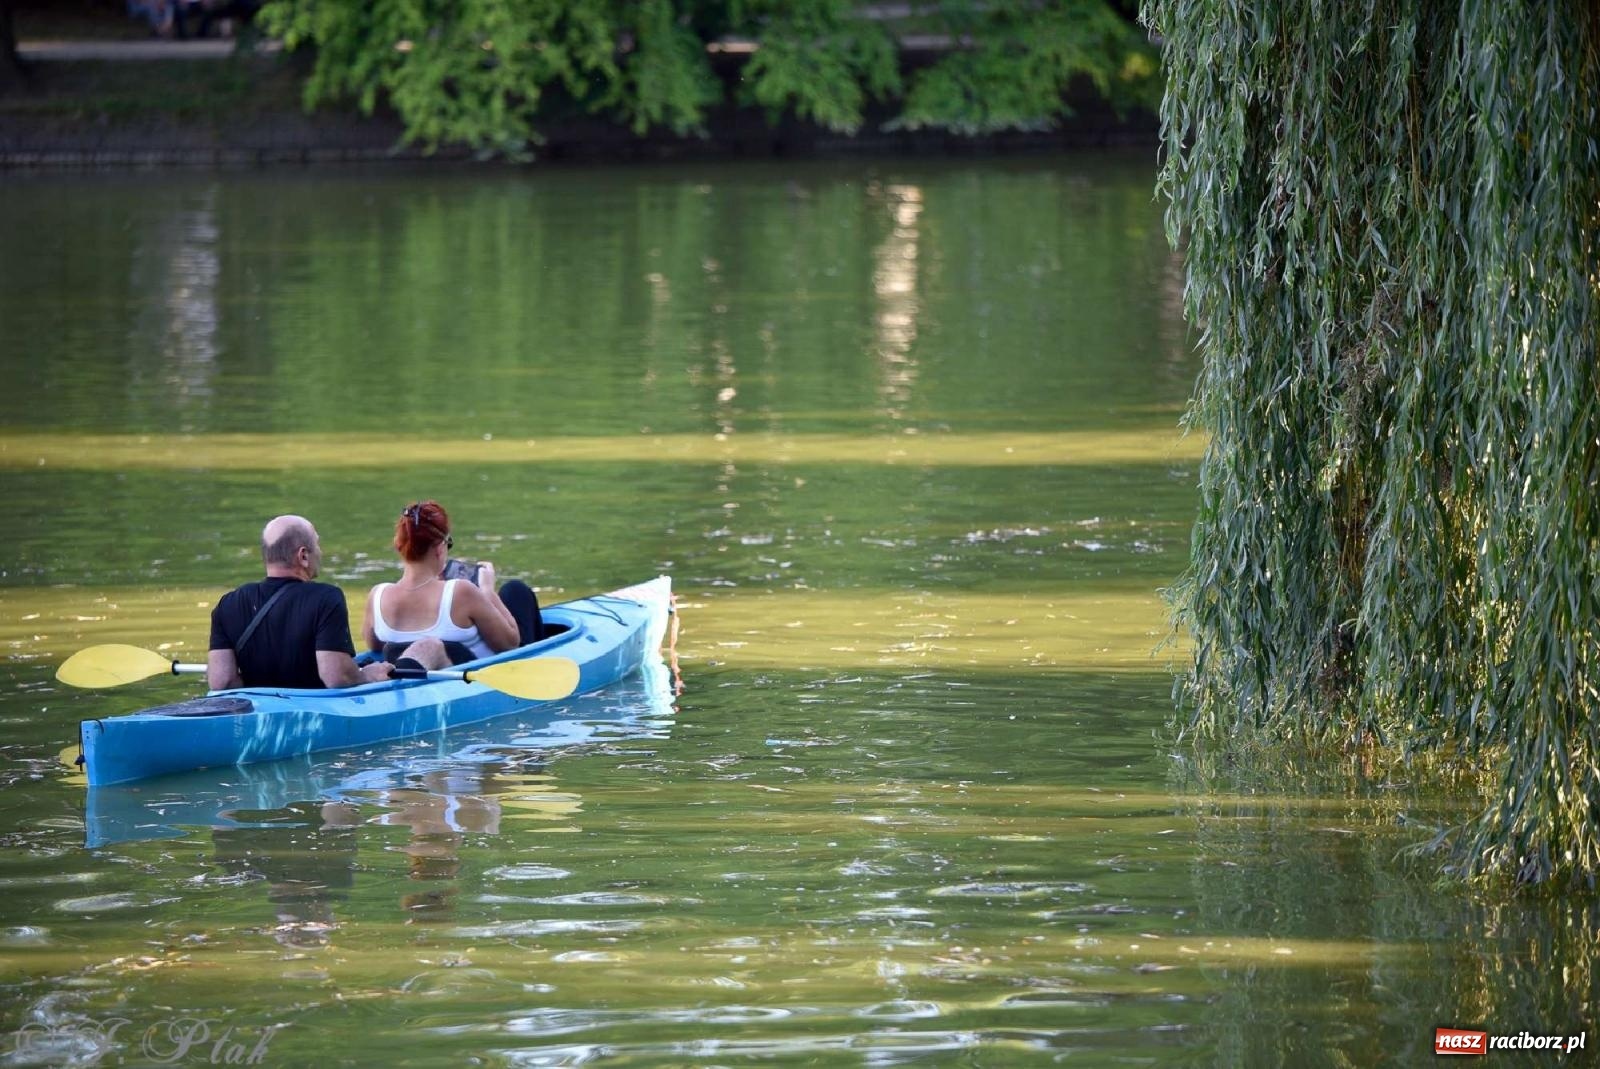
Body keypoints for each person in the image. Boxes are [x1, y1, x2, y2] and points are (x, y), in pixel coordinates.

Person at [209, 515, 406, 690]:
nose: (320, 552)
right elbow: (336, 676)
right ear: (303, 556)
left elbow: (222, 681)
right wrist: (366, 675)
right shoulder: (326, 598)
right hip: (315, 716)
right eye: (317, 545)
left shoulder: (228, 604)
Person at [362, 501, 544, 671]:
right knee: (516, 591)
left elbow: (376, 647)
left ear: (397, 546)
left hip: (414, 669)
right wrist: (488, 591)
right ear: (440, 548)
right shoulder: (461, 591)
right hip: (478, 678)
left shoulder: (377, 595)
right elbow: (510, 644)